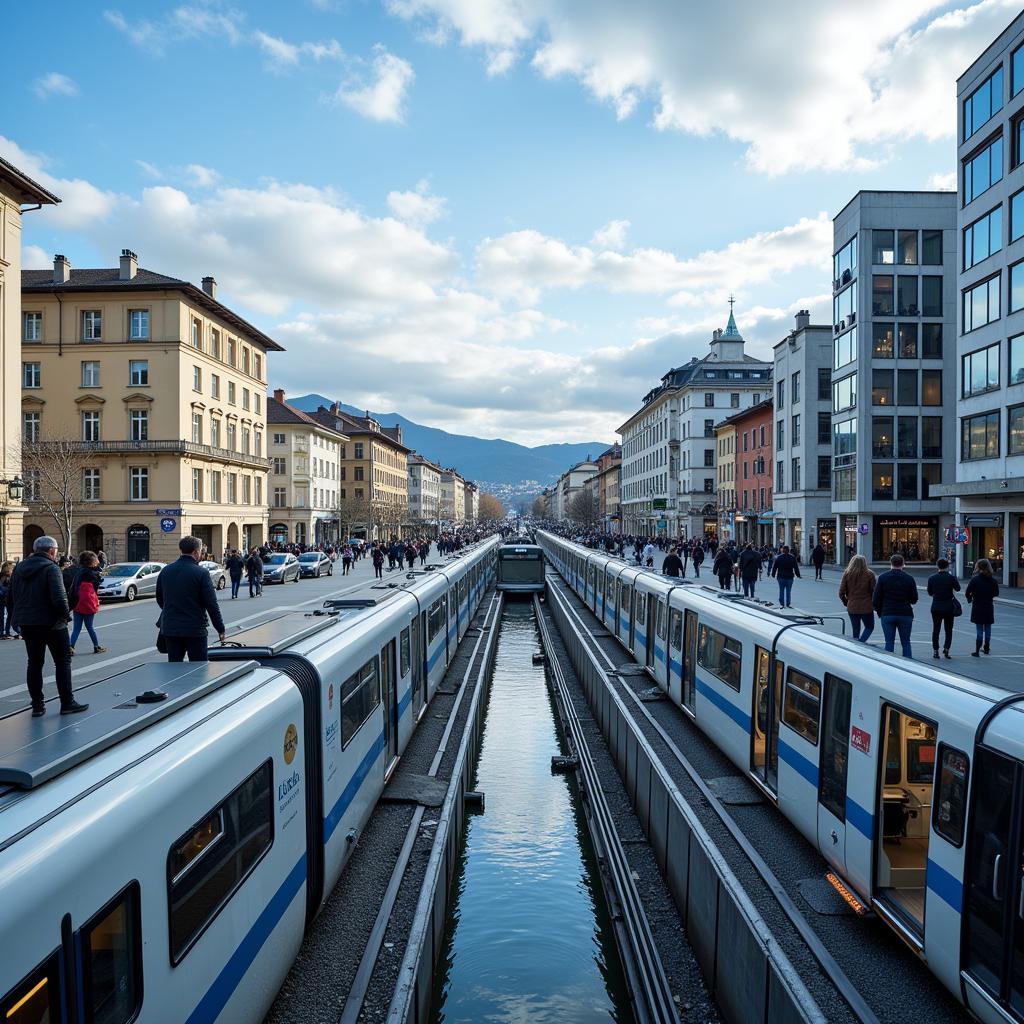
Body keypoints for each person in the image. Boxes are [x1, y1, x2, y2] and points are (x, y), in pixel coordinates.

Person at [11, 535, 88, 716]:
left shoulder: (19, 568)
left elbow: (13, 596)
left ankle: (37, 706)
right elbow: (60, 598)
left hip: (28, 622)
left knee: (34, 663)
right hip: (52, 623)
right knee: (62, 662)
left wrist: (17, 619)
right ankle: (67, 703)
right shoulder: (51, 568)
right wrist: (65, 617)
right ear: (51, 551)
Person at [155, 536, 227, 662]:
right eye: (201, 552)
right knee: (198, 667)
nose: (201, 555)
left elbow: (160, 598)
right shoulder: (201, 573)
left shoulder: (166, 571)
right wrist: (220, 629)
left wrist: (173, 609)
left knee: (174, 666)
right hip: (194, 628)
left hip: (171, 628)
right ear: (195, 552)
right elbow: (211, 604)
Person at [872, 553, 918, 658]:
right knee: (906, 642)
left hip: (887, 612)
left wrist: (880, 611)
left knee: (889, 642)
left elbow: (876, 598)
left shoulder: (883, 578)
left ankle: (889, 665)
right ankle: (908, 664)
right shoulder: (909, 578)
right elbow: (914, 598)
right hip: (905, 613)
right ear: (903, 564)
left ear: (891, 563)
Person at [68, 551, 106, 655]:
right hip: (89, 604)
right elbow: (96, 587)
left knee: (76, 628)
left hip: (78, 603)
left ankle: (71, 647)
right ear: (93, 561)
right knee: (90, 627)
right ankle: (96, 646)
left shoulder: (78, 572)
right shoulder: (94, 574)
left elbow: (73, 588)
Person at [926, 558, 960, 660]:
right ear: (947, 566)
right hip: (949, 606)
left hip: (936, 606)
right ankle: (946, 649)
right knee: (948, 630)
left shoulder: (932, 578)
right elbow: (958, 588)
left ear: (937, 566)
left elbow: (930, 592)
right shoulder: (951, 577)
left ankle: (935, 651)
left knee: (936, 629)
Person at [965, 558, 999, 657]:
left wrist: (970, 598)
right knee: (988, 627)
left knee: (979, 628)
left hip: (977, 606)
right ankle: (987, 647)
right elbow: (996, 593)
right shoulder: (992, 580)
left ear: (978, 567)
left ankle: (977, 650)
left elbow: (967, 592)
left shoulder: (975, 579)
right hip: (988, 605)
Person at [839, 555, 877, 641]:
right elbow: (875, 591)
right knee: (869, 627)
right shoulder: (870, 574)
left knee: (855, 630)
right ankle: (861, 642)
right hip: (866, 606)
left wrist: (846, 602)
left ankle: (857, 645)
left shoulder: (847, 574)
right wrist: (874, 603)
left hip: (852, 605)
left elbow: (841, 592)